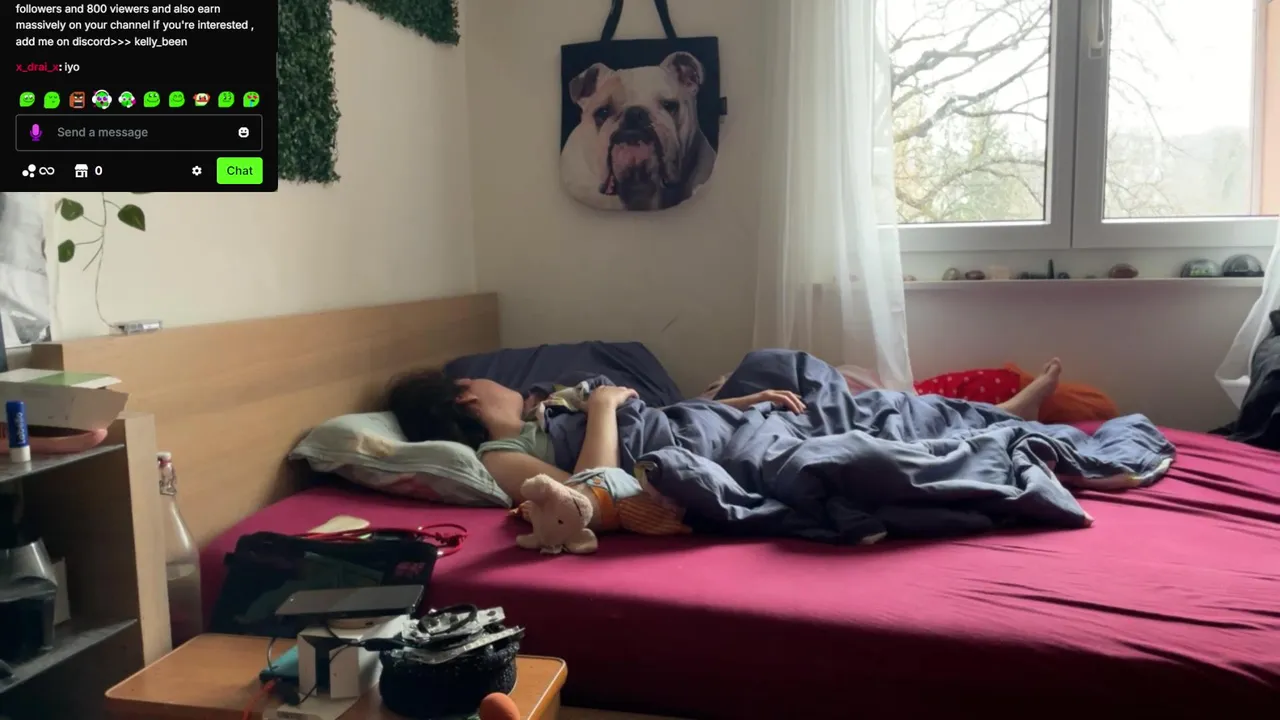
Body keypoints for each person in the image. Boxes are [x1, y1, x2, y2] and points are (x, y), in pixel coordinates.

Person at [386, 358, 1064, 503]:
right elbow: (593, 491)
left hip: (702, 425)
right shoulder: (500, 455)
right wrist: (600, 410)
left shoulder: (543, 410)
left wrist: (745, 399)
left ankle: (1000, 417)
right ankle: (1000, 431)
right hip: (700, 452)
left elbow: (665, 415)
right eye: (480, 377)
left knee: (864, 407)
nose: (496, 378)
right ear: (466, 395)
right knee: (857, 438)